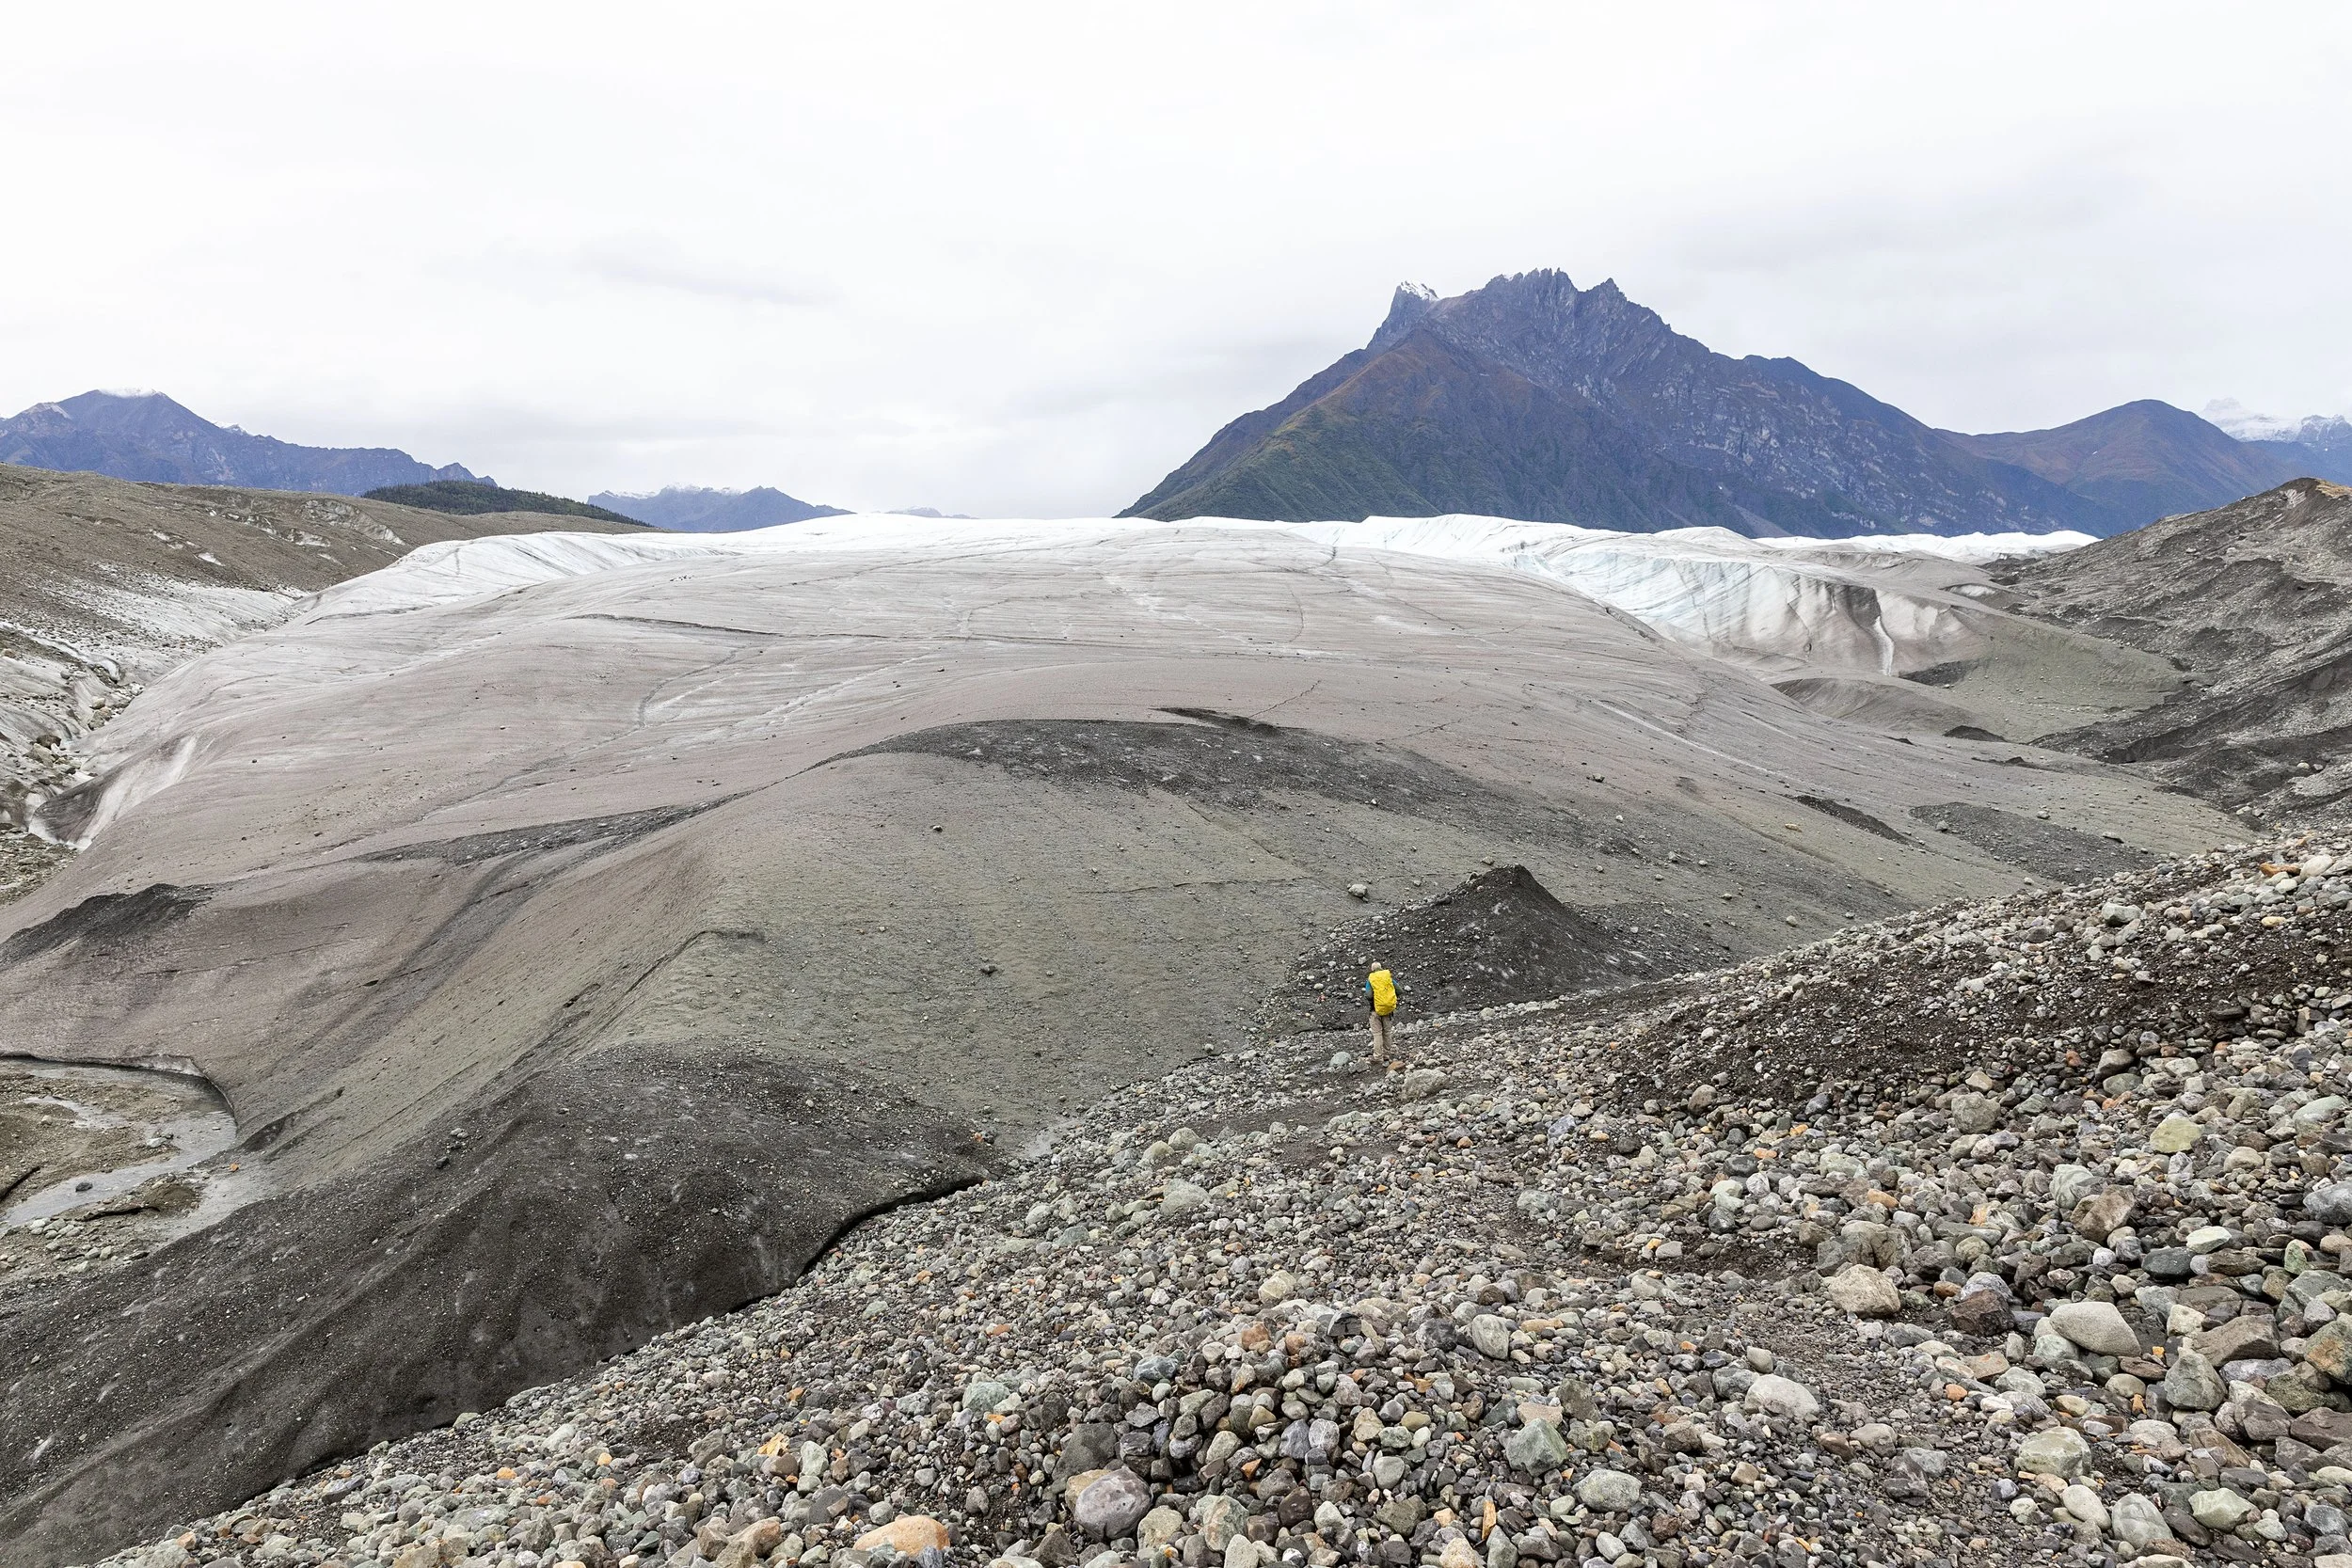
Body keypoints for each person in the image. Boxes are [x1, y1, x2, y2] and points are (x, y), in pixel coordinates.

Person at [1365, 963, 1399, 1061]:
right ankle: (1387, 1055)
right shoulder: (1388, 978)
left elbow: (1369, 995)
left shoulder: (1371, 979)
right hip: (1388, 1010)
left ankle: (1377, 1056)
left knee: (1377, 1034)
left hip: (1375, 1010)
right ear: (1381, 968)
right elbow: (1400, 990)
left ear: (1372, 969)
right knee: (1387, 1032)